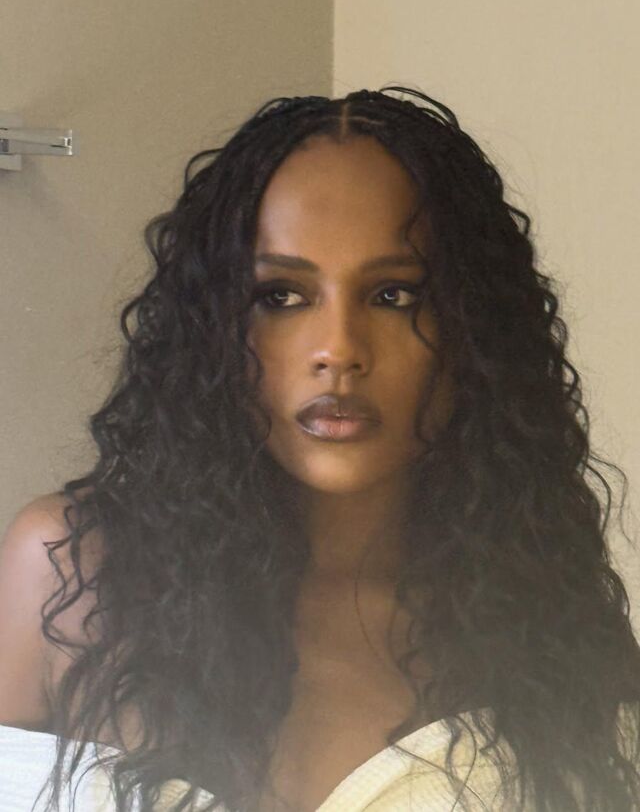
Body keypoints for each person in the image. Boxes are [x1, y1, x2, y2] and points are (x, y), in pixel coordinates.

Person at [0, 86, 639, 812]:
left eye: (394, 295)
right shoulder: (70, 572)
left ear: (476, 332)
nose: (338, 349)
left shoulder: (543, 623)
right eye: (281, 296)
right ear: (209, 327)